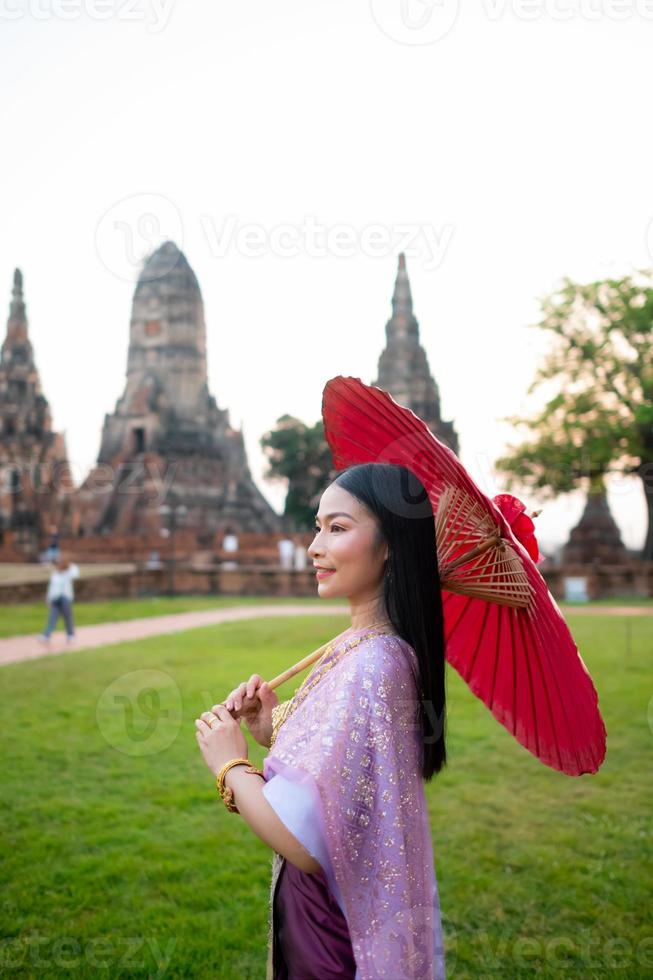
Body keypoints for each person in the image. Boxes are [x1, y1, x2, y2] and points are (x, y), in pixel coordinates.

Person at [194, 462, 447, 978]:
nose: (315, 546)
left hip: (331, 930)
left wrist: (232, 767)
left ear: (390, 545)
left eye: (338, 528)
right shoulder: (364, 647)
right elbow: (344, 776)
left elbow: (306, 841)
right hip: (331, 911)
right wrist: (270, 730)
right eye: (317, 526)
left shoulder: (374, 662)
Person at [38, 555, 80, 646]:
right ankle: (46, 635)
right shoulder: (55, 574)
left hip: (65, 598)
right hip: (55, 598)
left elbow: (76, 573)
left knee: (67, 617)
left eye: (61, 563)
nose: (59, 565)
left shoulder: (69, 572)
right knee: (52, 618)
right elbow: (51, 588)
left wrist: (68, 563)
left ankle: (70, 634)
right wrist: (48, 598)